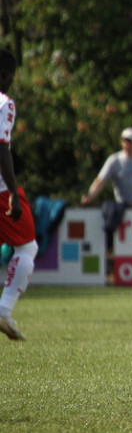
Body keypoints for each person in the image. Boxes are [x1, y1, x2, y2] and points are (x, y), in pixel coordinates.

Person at [81, 126, 132, 271]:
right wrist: (90, 196)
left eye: (131, 141)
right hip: (123, 211)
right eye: (125, 141)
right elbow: (101, 181)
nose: (127, 144)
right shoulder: (115, 160)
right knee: (124, 245)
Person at [0, 48, 36, 342]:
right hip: (0, 189)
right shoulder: (4, 103)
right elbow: (2, 148)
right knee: (27, 248)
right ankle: (4, 309)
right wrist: (13, 192)